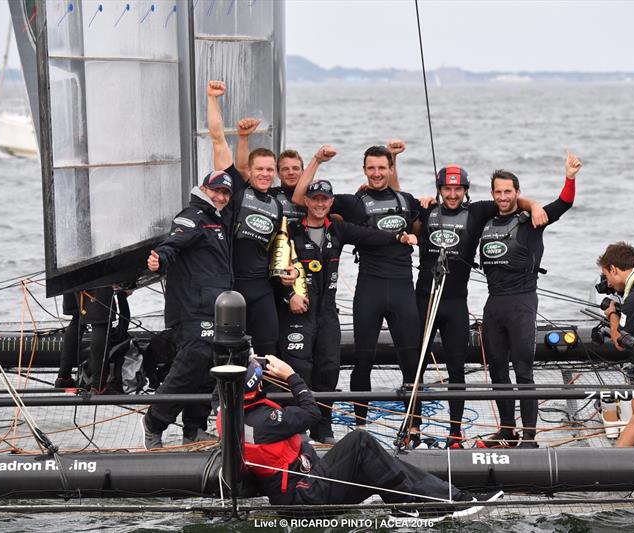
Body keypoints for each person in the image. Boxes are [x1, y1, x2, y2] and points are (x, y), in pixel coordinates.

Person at [223, 355, 503, 519]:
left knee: (375, 463)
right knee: (360, 440)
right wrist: (292, 376)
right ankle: (419, 504)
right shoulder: (265, 421)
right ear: (257, 384)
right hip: (302, 499)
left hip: (307, 486)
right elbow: (311, 412)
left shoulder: (232, 415)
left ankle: (448, 500)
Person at [292, 144, 423, 438]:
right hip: (369, 288)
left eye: (382, 168)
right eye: (371, 168)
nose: (376, 173)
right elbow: (301, 198)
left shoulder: (407, 199)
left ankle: (413, 426)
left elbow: (415, 222)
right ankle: (360, 427)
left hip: (403, 288)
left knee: (411, 362)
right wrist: (316, 160)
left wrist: (421, 209)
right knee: (363, 360)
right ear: (364, 170)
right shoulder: (353, 202)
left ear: (391, 169)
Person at [415, 165, 547, 448]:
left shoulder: (476, 212)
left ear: (465, 191)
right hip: (426, 299)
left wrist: (535, 204)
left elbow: (509, 201)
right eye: (446, 189)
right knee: (417, 367)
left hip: (457, 303)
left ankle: (455, 435)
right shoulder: (426, 209)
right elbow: (402, 219)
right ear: (439, 190)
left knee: (457, 370)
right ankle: (414, 429)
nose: (452, 194)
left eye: (457, 189)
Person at [478, 153, 581, 449]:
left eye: (508, 191)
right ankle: (507, 431)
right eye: (497, 192)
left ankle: (529, 437)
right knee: (497, 370)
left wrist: (569, 178)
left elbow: (563, 204)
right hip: (493, 303)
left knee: (523, 371)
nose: (502, 197)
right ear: (492, 194)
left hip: (522, 301)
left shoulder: (531, 221)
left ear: (517, 193)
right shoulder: (486, 219)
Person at [141, 171, 233, 448]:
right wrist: (159, 260)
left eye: (226, 194)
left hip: (216, 308)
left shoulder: (219, 218)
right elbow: (172, 244)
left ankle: (194, 429)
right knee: (192, 361)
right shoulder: (193, 215)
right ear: (205, 189)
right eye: (216, 191)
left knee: (211, 367)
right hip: (191, 308)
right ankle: (154, 423)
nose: (221, 197)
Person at [206, 80, 290, 357]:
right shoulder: (239, 194)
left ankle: (267, 399)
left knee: (269, 349)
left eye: (269, 169)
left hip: (263, 288)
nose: (265, 174)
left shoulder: (277, 203)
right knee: (232, 352)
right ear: (250, 172)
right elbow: (218, 139)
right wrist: (213, 98)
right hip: (234, 287)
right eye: (260, 169)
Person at [235, 117, 307, 222]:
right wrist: (243, 137)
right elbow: (243, 169)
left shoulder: (313, 198)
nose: (291, 172)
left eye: (295, 168)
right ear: (277, 173)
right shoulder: (269, 193)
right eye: (285, 169)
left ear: (303, 172)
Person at [54, 287, 117, 392]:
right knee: (101, 322)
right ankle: (98, 387)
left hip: (68, 278)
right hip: (93, 277)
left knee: (77, 318)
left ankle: (63, 378)